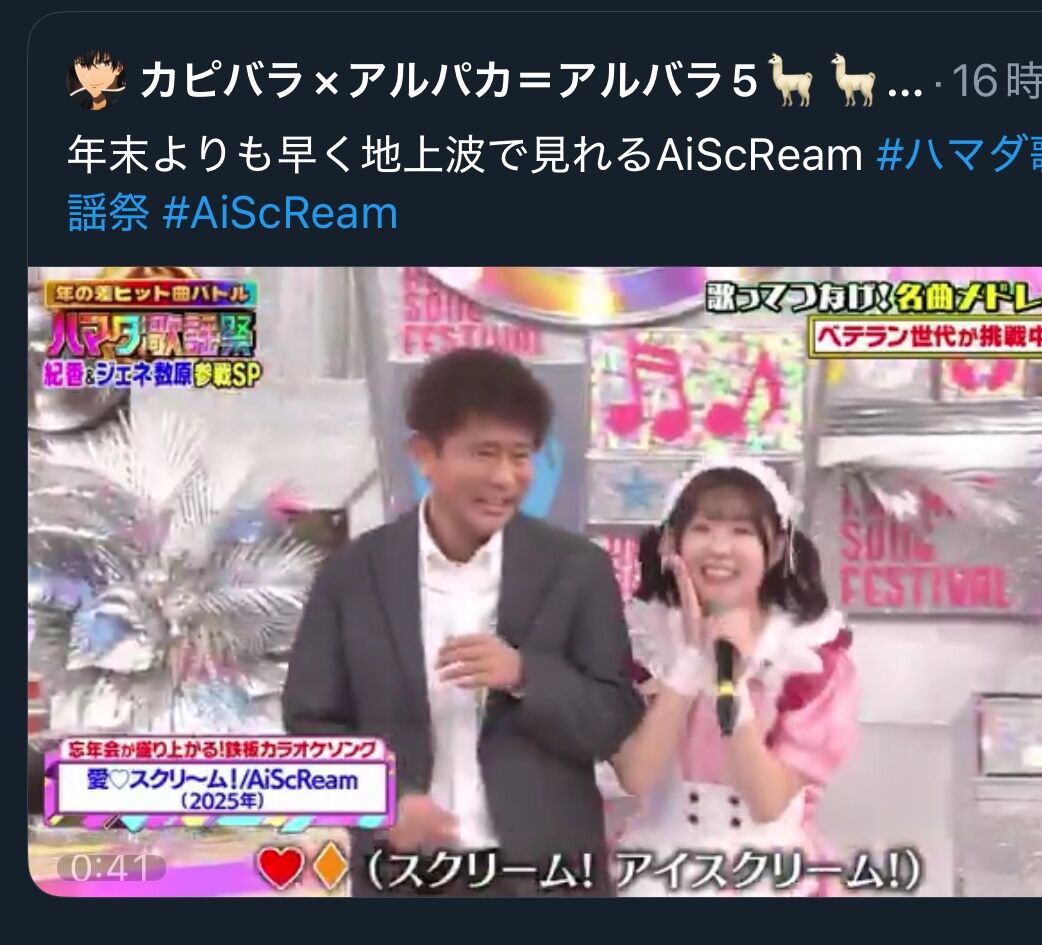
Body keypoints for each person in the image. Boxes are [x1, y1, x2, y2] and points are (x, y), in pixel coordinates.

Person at [283, 348, 644, 897]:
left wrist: (524, 675)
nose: (504, 477)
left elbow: (613, 719)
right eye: (484, 453)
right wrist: (384, 800)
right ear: (424, 454)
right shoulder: (354, 574)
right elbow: (311, 723)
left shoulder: (577, 570)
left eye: (520, 456)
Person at [609, 455, 857, 897]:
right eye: (703, 528)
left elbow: (767, 801)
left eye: (742, 531)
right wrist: (690, 660)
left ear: (776, 548)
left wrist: (731, 680)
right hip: (657, 869)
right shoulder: (641, 647)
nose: (720, 548)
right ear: (672, 543)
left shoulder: (812, 662)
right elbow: (637, 776)